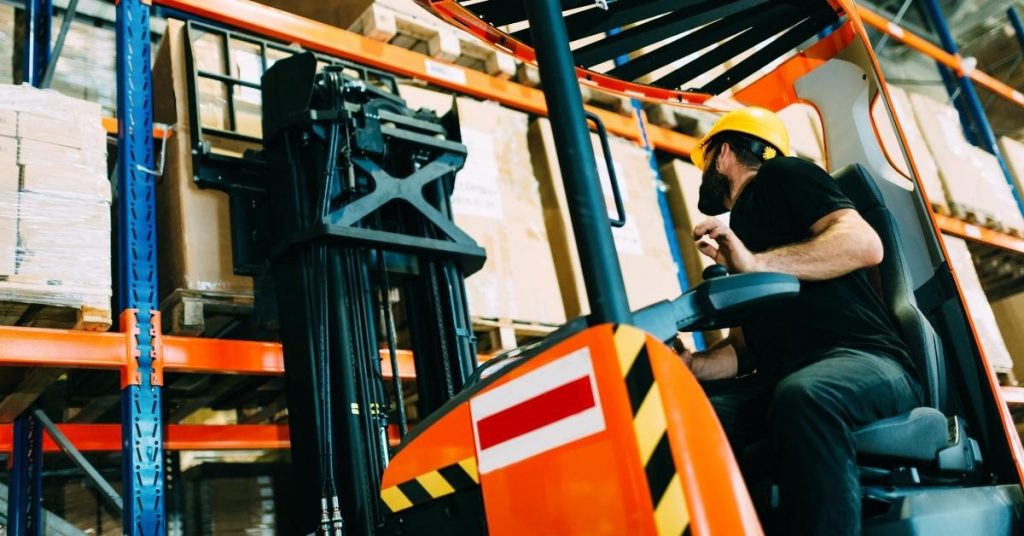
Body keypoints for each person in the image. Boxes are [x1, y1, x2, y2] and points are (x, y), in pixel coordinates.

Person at [681, 107, 921, 535]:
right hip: (779, 376)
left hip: (866, 361)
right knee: (693, 421)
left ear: (723, 154)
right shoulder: (742, 230)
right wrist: (691, 367)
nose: (705, 171)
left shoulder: (784, 174)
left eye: (706, 160)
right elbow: (742, 351)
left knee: (807, 395)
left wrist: (756, 264)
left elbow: (865, 244)